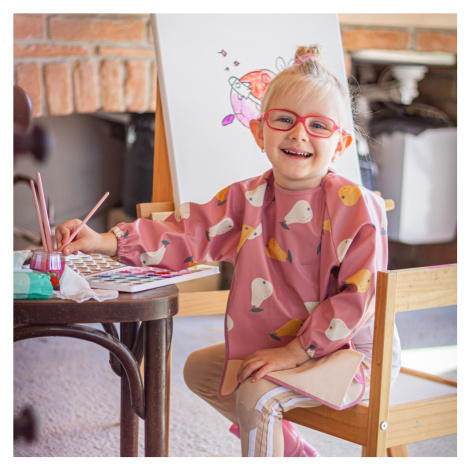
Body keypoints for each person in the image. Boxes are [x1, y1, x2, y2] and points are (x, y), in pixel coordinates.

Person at [56, 45, 401, 457]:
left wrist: (293, 354)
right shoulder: (247, 198)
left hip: (353, 355)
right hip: (288, 343)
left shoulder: (357, 205)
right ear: (259, 132)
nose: (298, 134)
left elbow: (357, 299)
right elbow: (184, 233)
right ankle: (293, 454)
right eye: (284, 120)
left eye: (318, 126)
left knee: (256, 394)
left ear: (341, 144)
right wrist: (103, 241)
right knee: (201, 371)